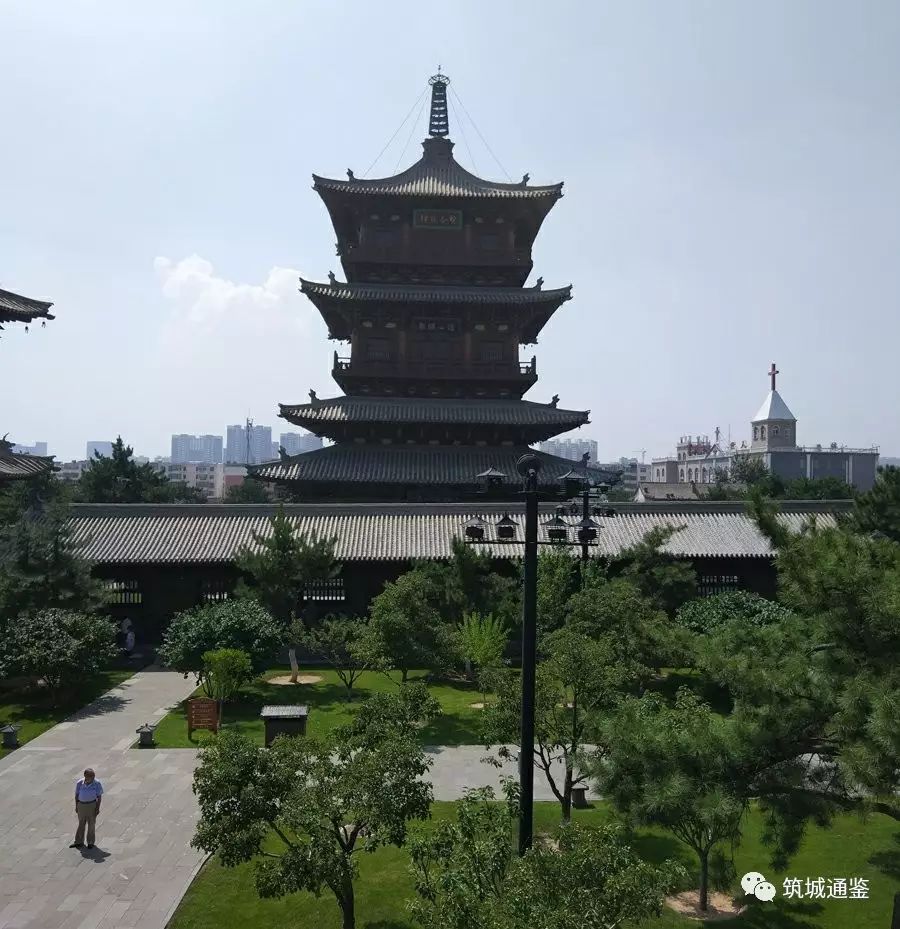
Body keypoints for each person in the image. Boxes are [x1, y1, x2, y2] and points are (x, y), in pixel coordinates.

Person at [70, 768, 103, 849]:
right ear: (85, 776)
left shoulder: (97, 783)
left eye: (93, 776)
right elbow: (77, 795)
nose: (93, 777)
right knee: (81, 823)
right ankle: (79, 841)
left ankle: (90, 842)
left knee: (91, 824)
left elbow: (99, 796)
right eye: (91, 776)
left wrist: (97, 808)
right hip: (81, 805)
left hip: (92, 805)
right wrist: (77, 806)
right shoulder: (80, 783)